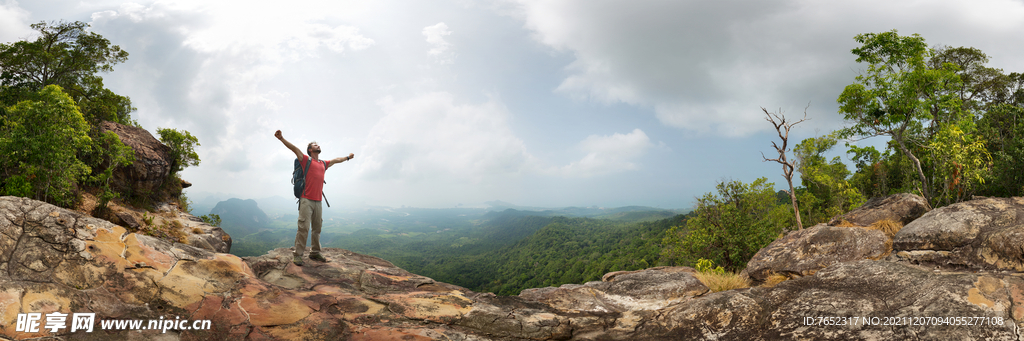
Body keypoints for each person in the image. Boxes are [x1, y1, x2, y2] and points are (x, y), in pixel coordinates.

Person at [274, 130, 354, 266]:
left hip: (318, 201)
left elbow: (336, 160)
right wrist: (281, 138)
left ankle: (315, 252)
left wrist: (347, 157)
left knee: (317, 228)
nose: (318, 146)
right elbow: (294, 149)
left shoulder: (323, 164)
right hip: (306, 200)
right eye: (315, 145)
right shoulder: (306, 160)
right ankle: (298, 255)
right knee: (303, 227)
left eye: (318, 144)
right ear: (310, 149)